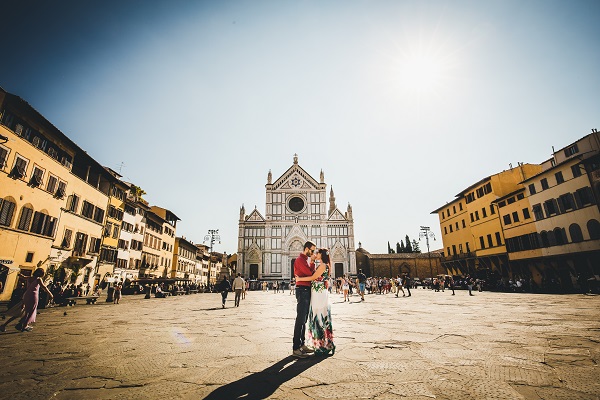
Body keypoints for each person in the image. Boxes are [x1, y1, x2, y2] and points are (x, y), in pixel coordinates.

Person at [295, 248, 335, 356]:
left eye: (317, 253)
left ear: (321, 255)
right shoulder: (323, 264)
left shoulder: (323, 265)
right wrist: (312, 262)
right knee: (319, 316)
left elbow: (313, 277)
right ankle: (322, 343)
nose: (315, 254)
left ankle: (321, 345)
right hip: (319, 293)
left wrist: (299, 279)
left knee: (319, 316)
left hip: (319, 294)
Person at [292, 241, 316, 358]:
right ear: (306, 249)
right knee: (300, 319)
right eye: (312, 251)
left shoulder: (303, 260)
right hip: (302, 291)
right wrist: (312, 262)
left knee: (304, 319)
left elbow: (309, 274)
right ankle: (296, 348)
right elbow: (310, 273)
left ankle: (302, 345)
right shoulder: (300, 260)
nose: (313, 253)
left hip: (306, 290)